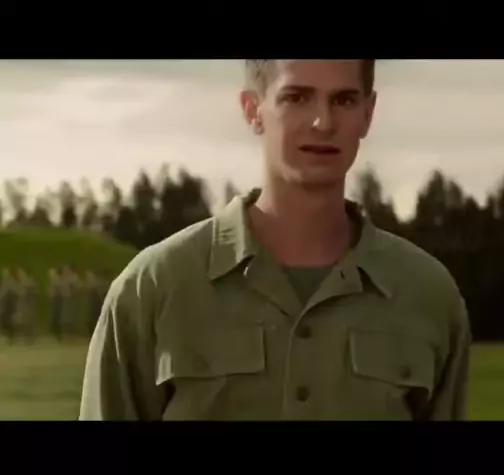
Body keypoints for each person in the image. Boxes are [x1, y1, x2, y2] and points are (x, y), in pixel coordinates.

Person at [79, 59, 471, 421]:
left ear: (368, 114)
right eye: (296, 98)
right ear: (253, 109)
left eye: (344, 100)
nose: (323, 122)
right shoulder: (154, 289)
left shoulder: (428, 296)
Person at [14, 268, 37, 343]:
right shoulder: (23, 283)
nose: (19, 275)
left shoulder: (28, 282)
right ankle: (27, 337)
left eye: (21, 274)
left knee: (28, 320)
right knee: (24, 320)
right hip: (24, 304)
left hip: (27, 305)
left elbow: (27, 294)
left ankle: (29, 337)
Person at [0, 268, 18, 343]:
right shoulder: (4, 283)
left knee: (8, 321)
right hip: (5, 305)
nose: (4, 275)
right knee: (5, 321)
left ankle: (11, 337)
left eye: (5, 274)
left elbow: (13, 292)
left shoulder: (10, 282)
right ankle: (10, 336)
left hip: (9, 305)